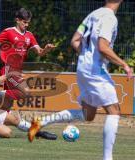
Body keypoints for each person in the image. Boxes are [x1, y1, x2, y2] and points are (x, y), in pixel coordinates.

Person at [28, 0, 133, 160]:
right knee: (114, 111)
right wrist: (124, 64)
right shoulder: (109, 17)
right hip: (95, 70)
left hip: (83, 68)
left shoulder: (92, 15)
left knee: (88, 115)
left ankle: (41, 121)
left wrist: (86, 56)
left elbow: (74, 41)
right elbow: (103, 47)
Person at [0, 8, 55, 110]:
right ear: (17, 20)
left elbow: (40, 53)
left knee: (6, 105)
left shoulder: (29, 35)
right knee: (25, 92)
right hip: (8, 69)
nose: (26, 25)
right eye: (24, 22)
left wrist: (46, 49)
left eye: (28, 22)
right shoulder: (8, 32)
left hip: (17, 70)